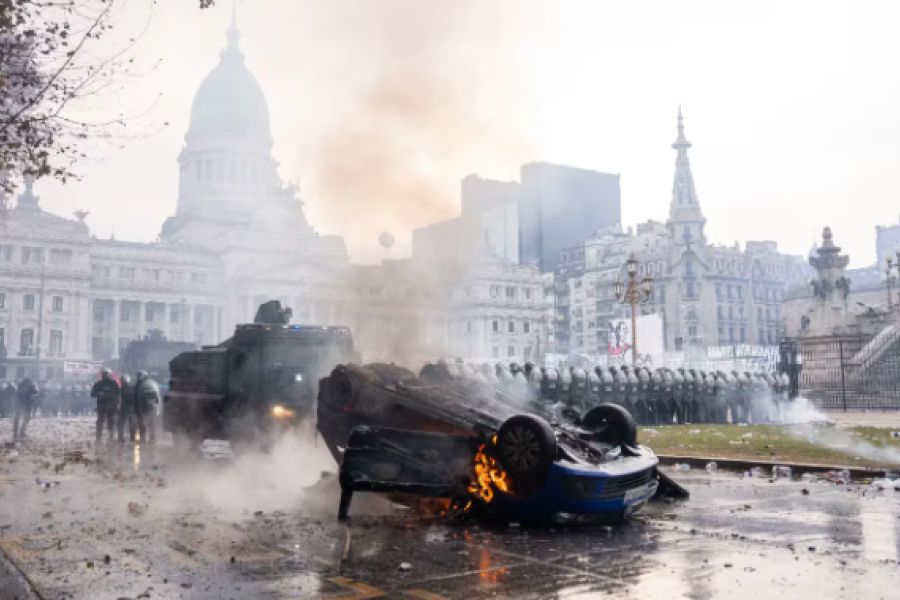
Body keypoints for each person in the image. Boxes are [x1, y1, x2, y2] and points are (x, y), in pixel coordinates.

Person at [90, 368, 120, 443]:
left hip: (112, 406)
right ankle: (98, 438)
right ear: (102, 375)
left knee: (111, 422)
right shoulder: (98, 384)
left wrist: (117, 404)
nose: (105, 375)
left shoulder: (114, 383)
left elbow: (118, 394)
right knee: (100, 421)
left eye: (107, 374)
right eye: (104, 374)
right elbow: (92, 394)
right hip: (101, 406)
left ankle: (111, 437)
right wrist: (98, 394)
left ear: (110, 374)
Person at [134, 371, 161, 444]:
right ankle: (147, 439)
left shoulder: (143, 385)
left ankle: (149, 439)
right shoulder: (152, 383)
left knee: (146, 424)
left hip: (146, 408)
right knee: (147, 424)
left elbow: (157, 398)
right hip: (148, 408)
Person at [13, 377, 38, 442]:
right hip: (26, 405)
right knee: (26, 419)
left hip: (19, 405)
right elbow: (36, 392)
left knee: (17, 419)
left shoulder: (20, 386)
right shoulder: (31, 386)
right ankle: (21, 432)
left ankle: (16, 433)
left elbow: (16, 395)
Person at [117, 374, 136, 443]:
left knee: (121, 423)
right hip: (131, 408)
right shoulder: (133, 388)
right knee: (132, 424)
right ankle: (132, 438)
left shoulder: (120, 389)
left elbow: (117, 399)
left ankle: (120, 438)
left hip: (124, 408)